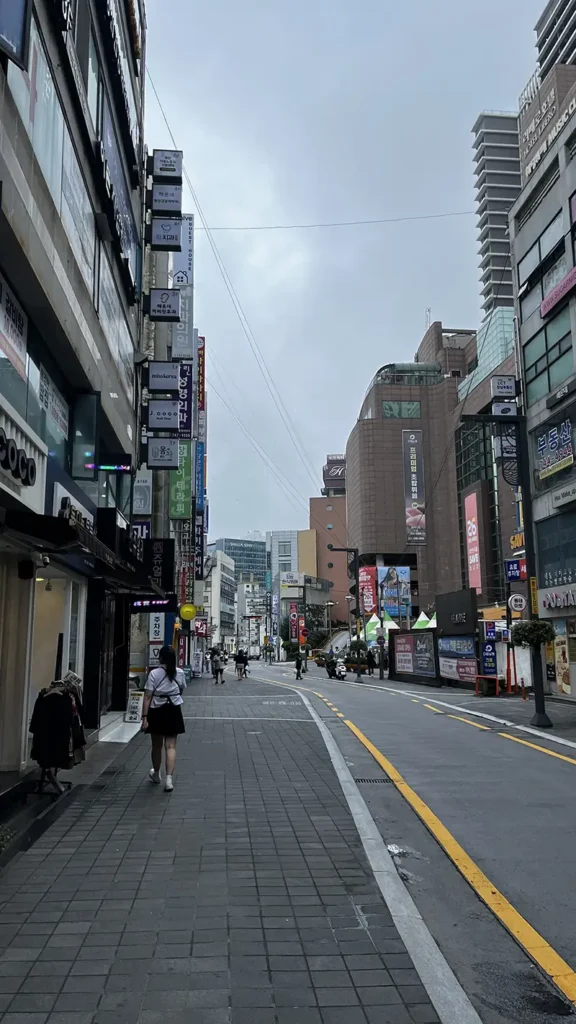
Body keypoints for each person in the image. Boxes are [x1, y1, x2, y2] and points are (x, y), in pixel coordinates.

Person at [141, 646, 185, 792]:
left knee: (156, 745)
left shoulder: (154, 673)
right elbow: (181, 689)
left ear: (161, 657)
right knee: (171, 746)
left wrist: (144, 718)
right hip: (174, 710)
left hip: (157, 711)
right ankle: (169, 781)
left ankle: (156, 774)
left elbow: (147, 696)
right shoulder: (179, 672)